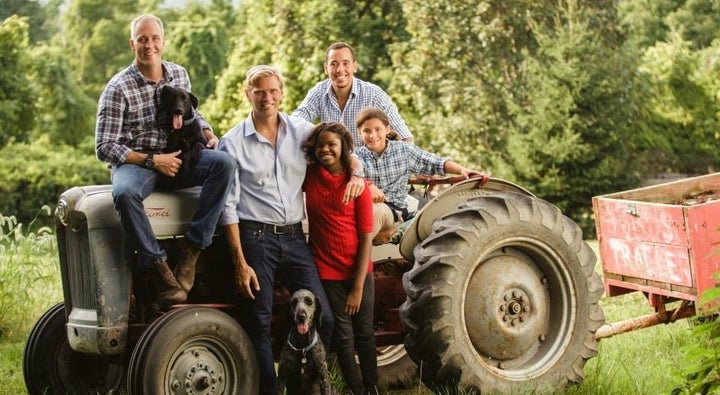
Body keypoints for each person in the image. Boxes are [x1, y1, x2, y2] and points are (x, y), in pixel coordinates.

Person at [217, 65, 365, 395]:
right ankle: (270, 390)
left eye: (272, 91)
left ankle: (307, 384)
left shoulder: (301, 132)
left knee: (323, 315)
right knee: (259, 318)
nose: (266, 97)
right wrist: (240, 263)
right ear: (248, 94)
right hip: (256, 238)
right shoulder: (232, 142)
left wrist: (357, 173)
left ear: (282, 93)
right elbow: (228, 206)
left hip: (296, 238)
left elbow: (340, 145)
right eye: (259, 91)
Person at [95, 14, 236, 307]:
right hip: (138, 164)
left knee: (224, 164)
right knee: (124, 193)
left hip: (180, 159)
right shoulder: (118, 88)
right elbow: (104, 146)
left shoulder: (179, 74)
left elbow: (192, 114)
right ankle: (159, 268)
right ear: (132, 44)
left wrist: (207, 131)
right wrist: (152, 161)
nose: (149, 46)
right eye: (142, 40)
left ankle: (192, 249)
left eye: (154, 39)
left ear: (163, 42)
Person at [302, 122, 377, 395]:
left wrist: (358, 288)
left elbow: (366, 237)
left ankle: (372, 387)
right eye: (320, 144)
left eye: (332, 144)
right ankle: (356, 389)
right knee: (344, 337)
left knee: (365, 334)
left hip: (358, 270)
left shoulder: (358, 185)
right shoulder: (309, 175)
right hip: (326, 269)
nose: (325, 149)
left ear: (343, 147)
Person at [355, 107, 480, 244]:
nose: (372, 136)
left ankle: (356, 258)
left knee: (375, 210)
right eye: (366, 131)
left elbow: (435, 162)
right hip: (362, 210)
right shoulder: (355, 157)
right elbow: (347, 176)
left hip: (393, 213)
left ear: (387, 129)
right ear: (359, 133)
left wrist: (462, 170)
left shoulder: (404, 150)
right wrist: (367, 186)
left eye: (377, 129)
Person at [293, 41, 414, 147]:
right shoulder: (319, 91)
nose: (340, 70)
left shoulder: (373, 94)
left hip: (368, 168)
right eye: (333, 64)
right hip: (334, 167)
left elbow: (403, 134)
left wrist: (416, 166)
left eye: (345, 63)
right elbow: (297, 120)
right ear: (326, 68)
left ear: (354, 66)